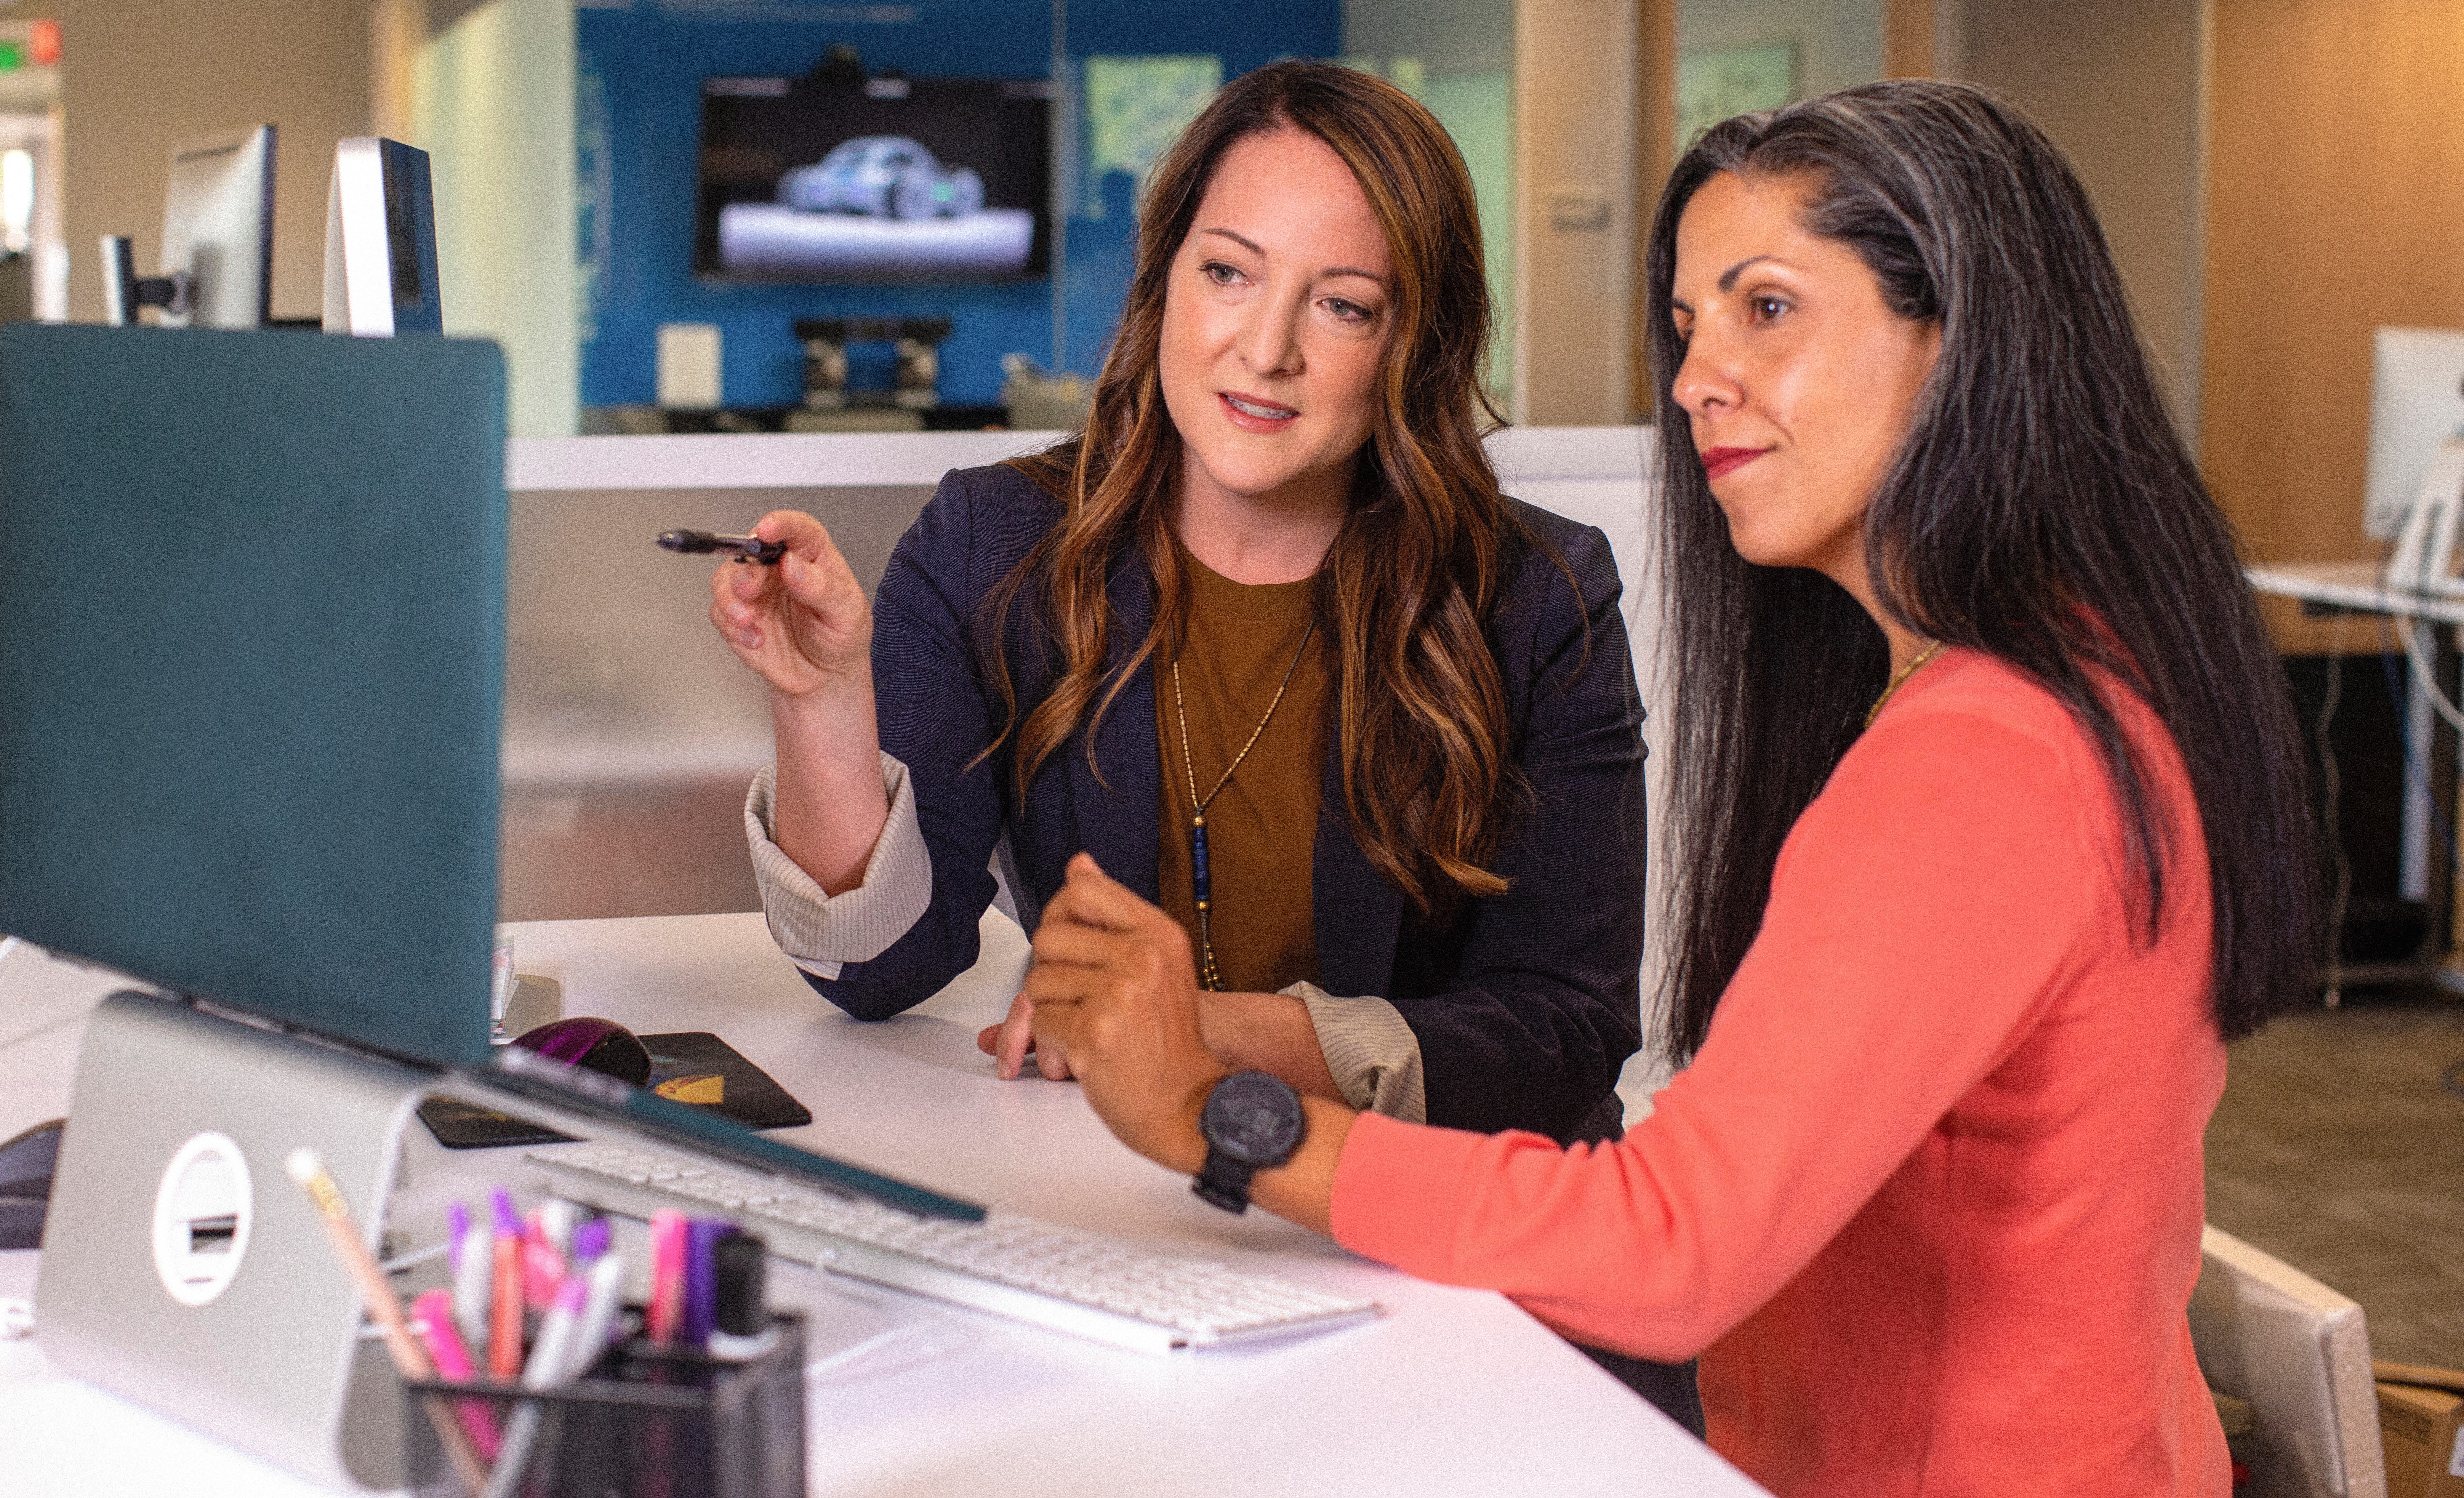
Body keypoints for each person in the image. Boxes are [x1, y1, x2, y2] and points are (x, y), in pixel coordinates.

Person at [1020, 78, 2320, 1496]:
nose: (1696, 377)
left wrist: (1215, 1114)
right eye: (1689, 325)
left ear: (1963, 341)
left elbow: (1672, 1249)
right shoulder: (2076, 677)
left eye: (1766, 309)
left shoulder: (1987, 757)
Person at [700, 61, 1694, 1423]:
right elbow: (883, 969)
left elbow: (1565, 1036)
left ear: (1414, 344)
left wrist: (1209, 1044)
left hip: (1440, 1272)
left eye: (1340, 306)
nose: (1263, 349)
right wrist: (818, 701)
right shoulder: (993, 543)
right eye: (1228, 274)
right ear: (1165, 278)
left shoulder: (1534, 592)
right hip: (1137, 1252)